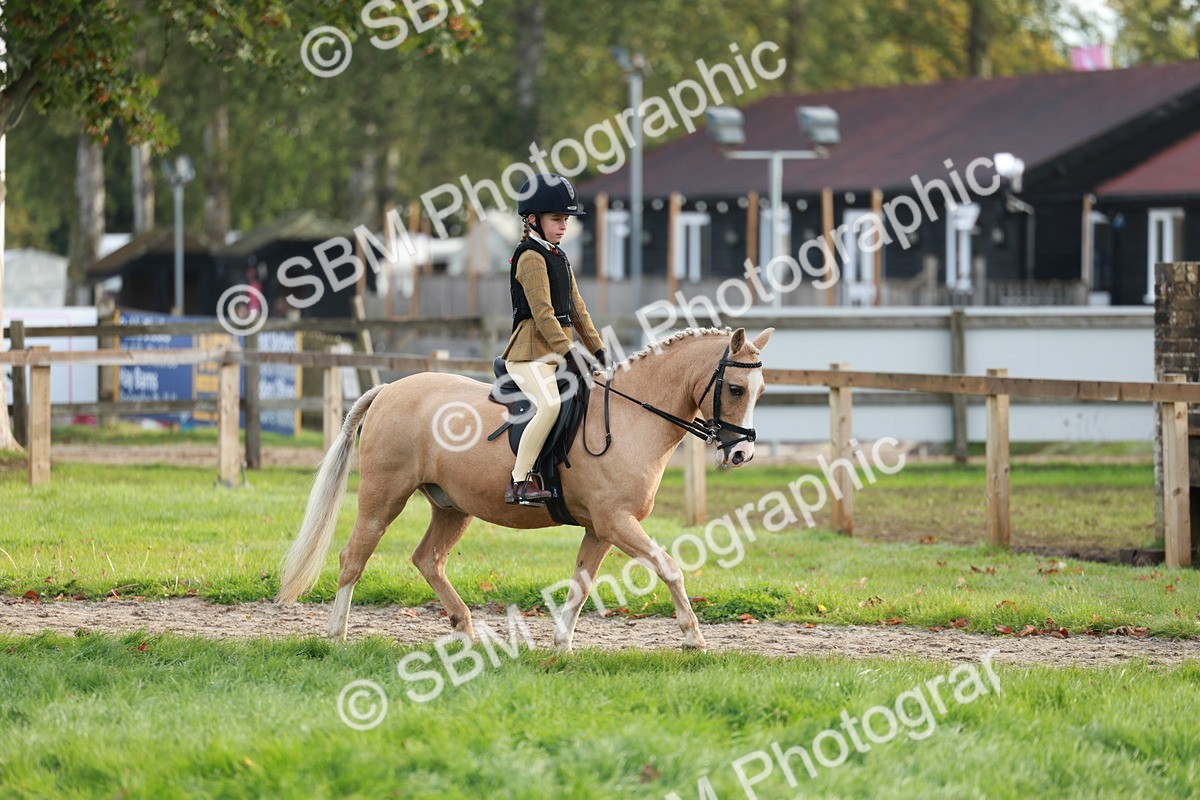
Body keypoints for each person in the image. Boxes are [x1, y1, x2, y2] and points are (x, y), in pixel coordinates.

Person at [500, 173, 607, 505]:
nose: (563, 226)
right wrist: (571, 351)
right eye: (556, 218)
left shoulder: (559, 257)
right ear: (533, 219)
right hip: (528, 355)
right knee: (549, 405)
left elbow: (577, 309)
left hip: (557, 353)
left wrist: (598, 348)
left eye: (565, 220)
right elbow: (544, 314)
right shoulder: (530, 257)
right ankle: (519, 482)